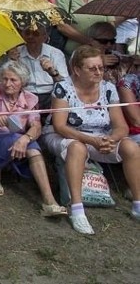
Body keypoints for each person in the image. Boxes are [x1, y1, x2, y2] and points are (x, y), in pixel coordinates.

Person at [42, 45, 140, 234]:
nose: (98, 72)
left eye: (101, 68)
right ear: (77, 70)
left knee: (130, 147)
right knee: (78, 148)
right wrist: (92, 141)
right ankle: (77, 210)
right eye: (92, 68)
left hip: (100, 135)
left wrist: (111, 139)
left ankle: (138, 203)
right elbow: (60, 126)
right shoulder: (62, 88)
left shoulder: (109, 88)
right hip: (63, 134)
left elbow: (121, 126)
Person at [0, 61, 66, 217]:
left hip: (19, 140)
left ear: (22, 82)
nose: (7, 83)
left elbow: (36, 126)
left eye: (13, 80)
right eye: (4, 79)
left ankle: (49, 202)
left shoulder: (30, 99)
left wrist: (25, 138)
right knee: (18, 139)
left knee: (33, 149)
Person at [2, 25, 68, 111]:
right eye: (27, 33)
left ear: (45, 37)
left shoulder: (56, 53)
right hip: (24, 94)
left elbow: (65, 84)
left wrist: (53, 72)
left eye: (36, 34)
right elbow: (7, 79)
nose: (30, 37)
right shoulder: (16, 53)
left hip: (50, 94)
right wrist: (11, 61)